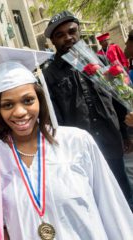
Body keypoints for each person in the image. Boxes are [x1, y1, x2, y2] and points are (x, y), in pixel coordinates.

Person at [0, 48, 133, 239]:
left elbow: (111, 206)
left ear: (41, 100)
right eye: (8, 104)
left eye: (28, 100)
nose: (19, 112)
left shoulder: (76, 141)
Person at [42, 10, 133, 210]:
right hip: (79, 154)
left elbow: (119, 101)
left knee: (123, 198)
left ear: (79, 31)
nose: (68, 37)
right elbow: (55, 118)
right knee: (95, 205)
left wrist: (126, 135)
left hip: (111, 142)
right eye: (60, 35)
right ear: (53, 41)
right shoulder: (49, 75)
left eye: (72, 31)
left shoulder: (102, 63)